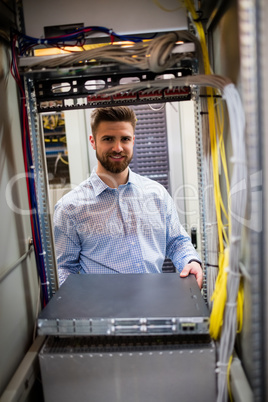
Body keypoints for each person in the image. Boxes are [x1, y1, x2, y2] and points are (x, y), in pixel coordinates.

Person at [54, 106, 203, 287]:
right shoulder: (70, 207)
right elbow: (64, 269)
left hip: (155, 305)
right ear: (93, 142)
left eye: (124, 139)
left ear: (133, 140)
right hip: (101, 310)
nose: (118, 148)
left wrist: (191, 262)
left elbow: (176, 242)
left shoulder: (156, 194)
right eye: (108, 139)